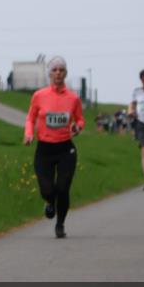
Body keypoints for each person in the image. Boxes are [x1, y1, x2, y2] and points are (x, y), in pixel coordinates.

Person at [23, 57, 84, 238]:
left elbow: (80, 119)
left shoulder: (73, 98)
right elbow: (30, 118)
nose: (58, 73)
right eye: (55, 70)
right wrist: (28, 133)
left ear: (65, 73)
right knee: (47, 190)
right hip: (44, 149)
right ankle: (49, 201)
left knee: (63, 188)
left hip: (66, 149)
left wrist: (78, 127)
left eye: (61, 70)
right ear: (49, 73)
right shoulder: (39, 96)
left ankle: (60, 224)